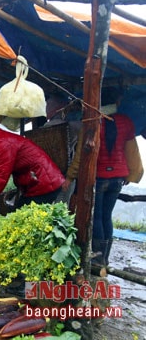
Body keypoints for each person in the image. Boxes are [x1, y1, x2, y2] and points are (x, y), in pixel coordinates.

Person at [62, 91, 143, 266]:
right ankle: (104, 257)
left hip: (98, 177)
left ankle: (97, 259)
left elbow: (80, 156)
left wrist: (70, 176)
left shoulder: (91, 123)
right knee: (107, 216)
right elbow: (132, 152)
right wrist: (132, 174)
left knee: (96, 217)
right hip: (118, 178)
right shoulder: (126, 122)